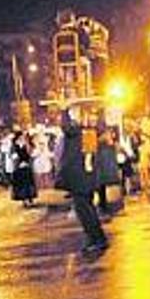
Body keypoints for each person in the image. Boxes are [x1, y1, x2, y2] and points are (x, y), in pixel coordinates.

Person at [55, 108, 108, 256]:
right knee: (87, 210)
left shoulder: (78, 133)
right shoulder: (89, 134)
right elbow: (89, 158)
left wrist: (64, 110)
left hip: (80, 179)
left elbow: (65, 127)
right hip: (85, 178)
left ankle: (96, 239)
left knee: (85, 212)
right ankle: (96, 238)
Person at [10, 132, 38, 207]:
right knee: (22, 184)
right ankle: (24, 199)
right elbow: (13, 156)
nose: (23, 138)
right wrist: (19, 163)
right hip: (19, 167)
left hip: (27, 166)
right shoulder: (14, 146)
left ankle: (30, 198)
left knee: (28, 183)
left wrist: (27, 144)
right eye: (21, 137)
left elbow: (31, 153)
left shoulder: (26, 145)